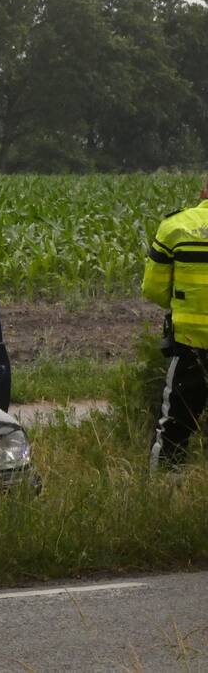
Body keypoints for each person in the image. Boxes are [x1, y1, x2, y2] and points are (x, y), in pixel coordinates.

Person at [142, 178, 208, 472]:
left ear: (203, 193)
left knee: (173, 429)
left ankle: (163, 495)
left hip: (190, 348)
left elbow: (153, 290)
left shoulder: (175, 226)